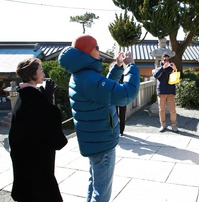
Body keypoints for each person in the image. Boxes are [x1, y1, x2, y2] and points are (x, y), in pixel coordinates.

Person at [58, 34, 140, 202]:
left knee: (95, 184)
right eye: (96, 47)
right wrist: (131, 66)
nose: (99, 50)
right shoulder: (89, 77)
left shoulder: (82, 75)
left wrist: (117, 67)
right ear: (87, 51)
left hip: (93, 139)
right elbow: (125, 94)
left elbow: (103, 90)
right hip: (102, 141)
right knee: (102, 192)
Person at [9, 58, 68, 202]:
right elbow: (48, 124)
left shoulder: (26, 96)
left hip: (26, 159)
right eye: (40, 70)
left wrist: (46, 101)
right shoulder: (33, 99)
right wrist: (49, 103)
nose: (43, 72)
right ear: (32, 75)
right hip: (36, 162)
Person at [153, 54, 179, 132]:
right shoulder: (158, 68)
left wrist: (175, 69)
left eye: (168, 60)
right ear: (162, 60)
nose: (166, 61)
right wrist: (163, 68)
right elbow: (156, 76)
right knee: (162, 110)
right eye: (165, 60)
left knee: (172, 110)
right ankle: (163, 125)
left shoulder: (172, 68)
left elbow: (176, 79)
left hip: (170, 91)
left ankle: (174, 125)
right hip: (161, 91)